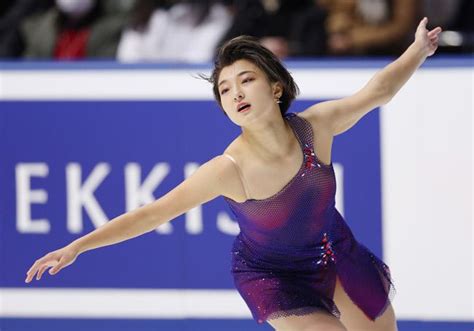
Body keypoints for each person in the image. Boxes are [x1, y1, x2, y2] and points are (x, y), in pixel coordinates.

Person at [25, 17, 441, 331]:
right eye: (225, 89)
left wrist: (418, 51)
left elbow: (378, 92)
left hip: (335, 248)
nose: (236, 93)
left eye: (246, 80)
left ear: (276, 88)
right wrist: (77, 247)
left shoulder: (317, 127)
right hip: (273, 276)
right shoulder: (229, 169)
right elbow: (151, 214)